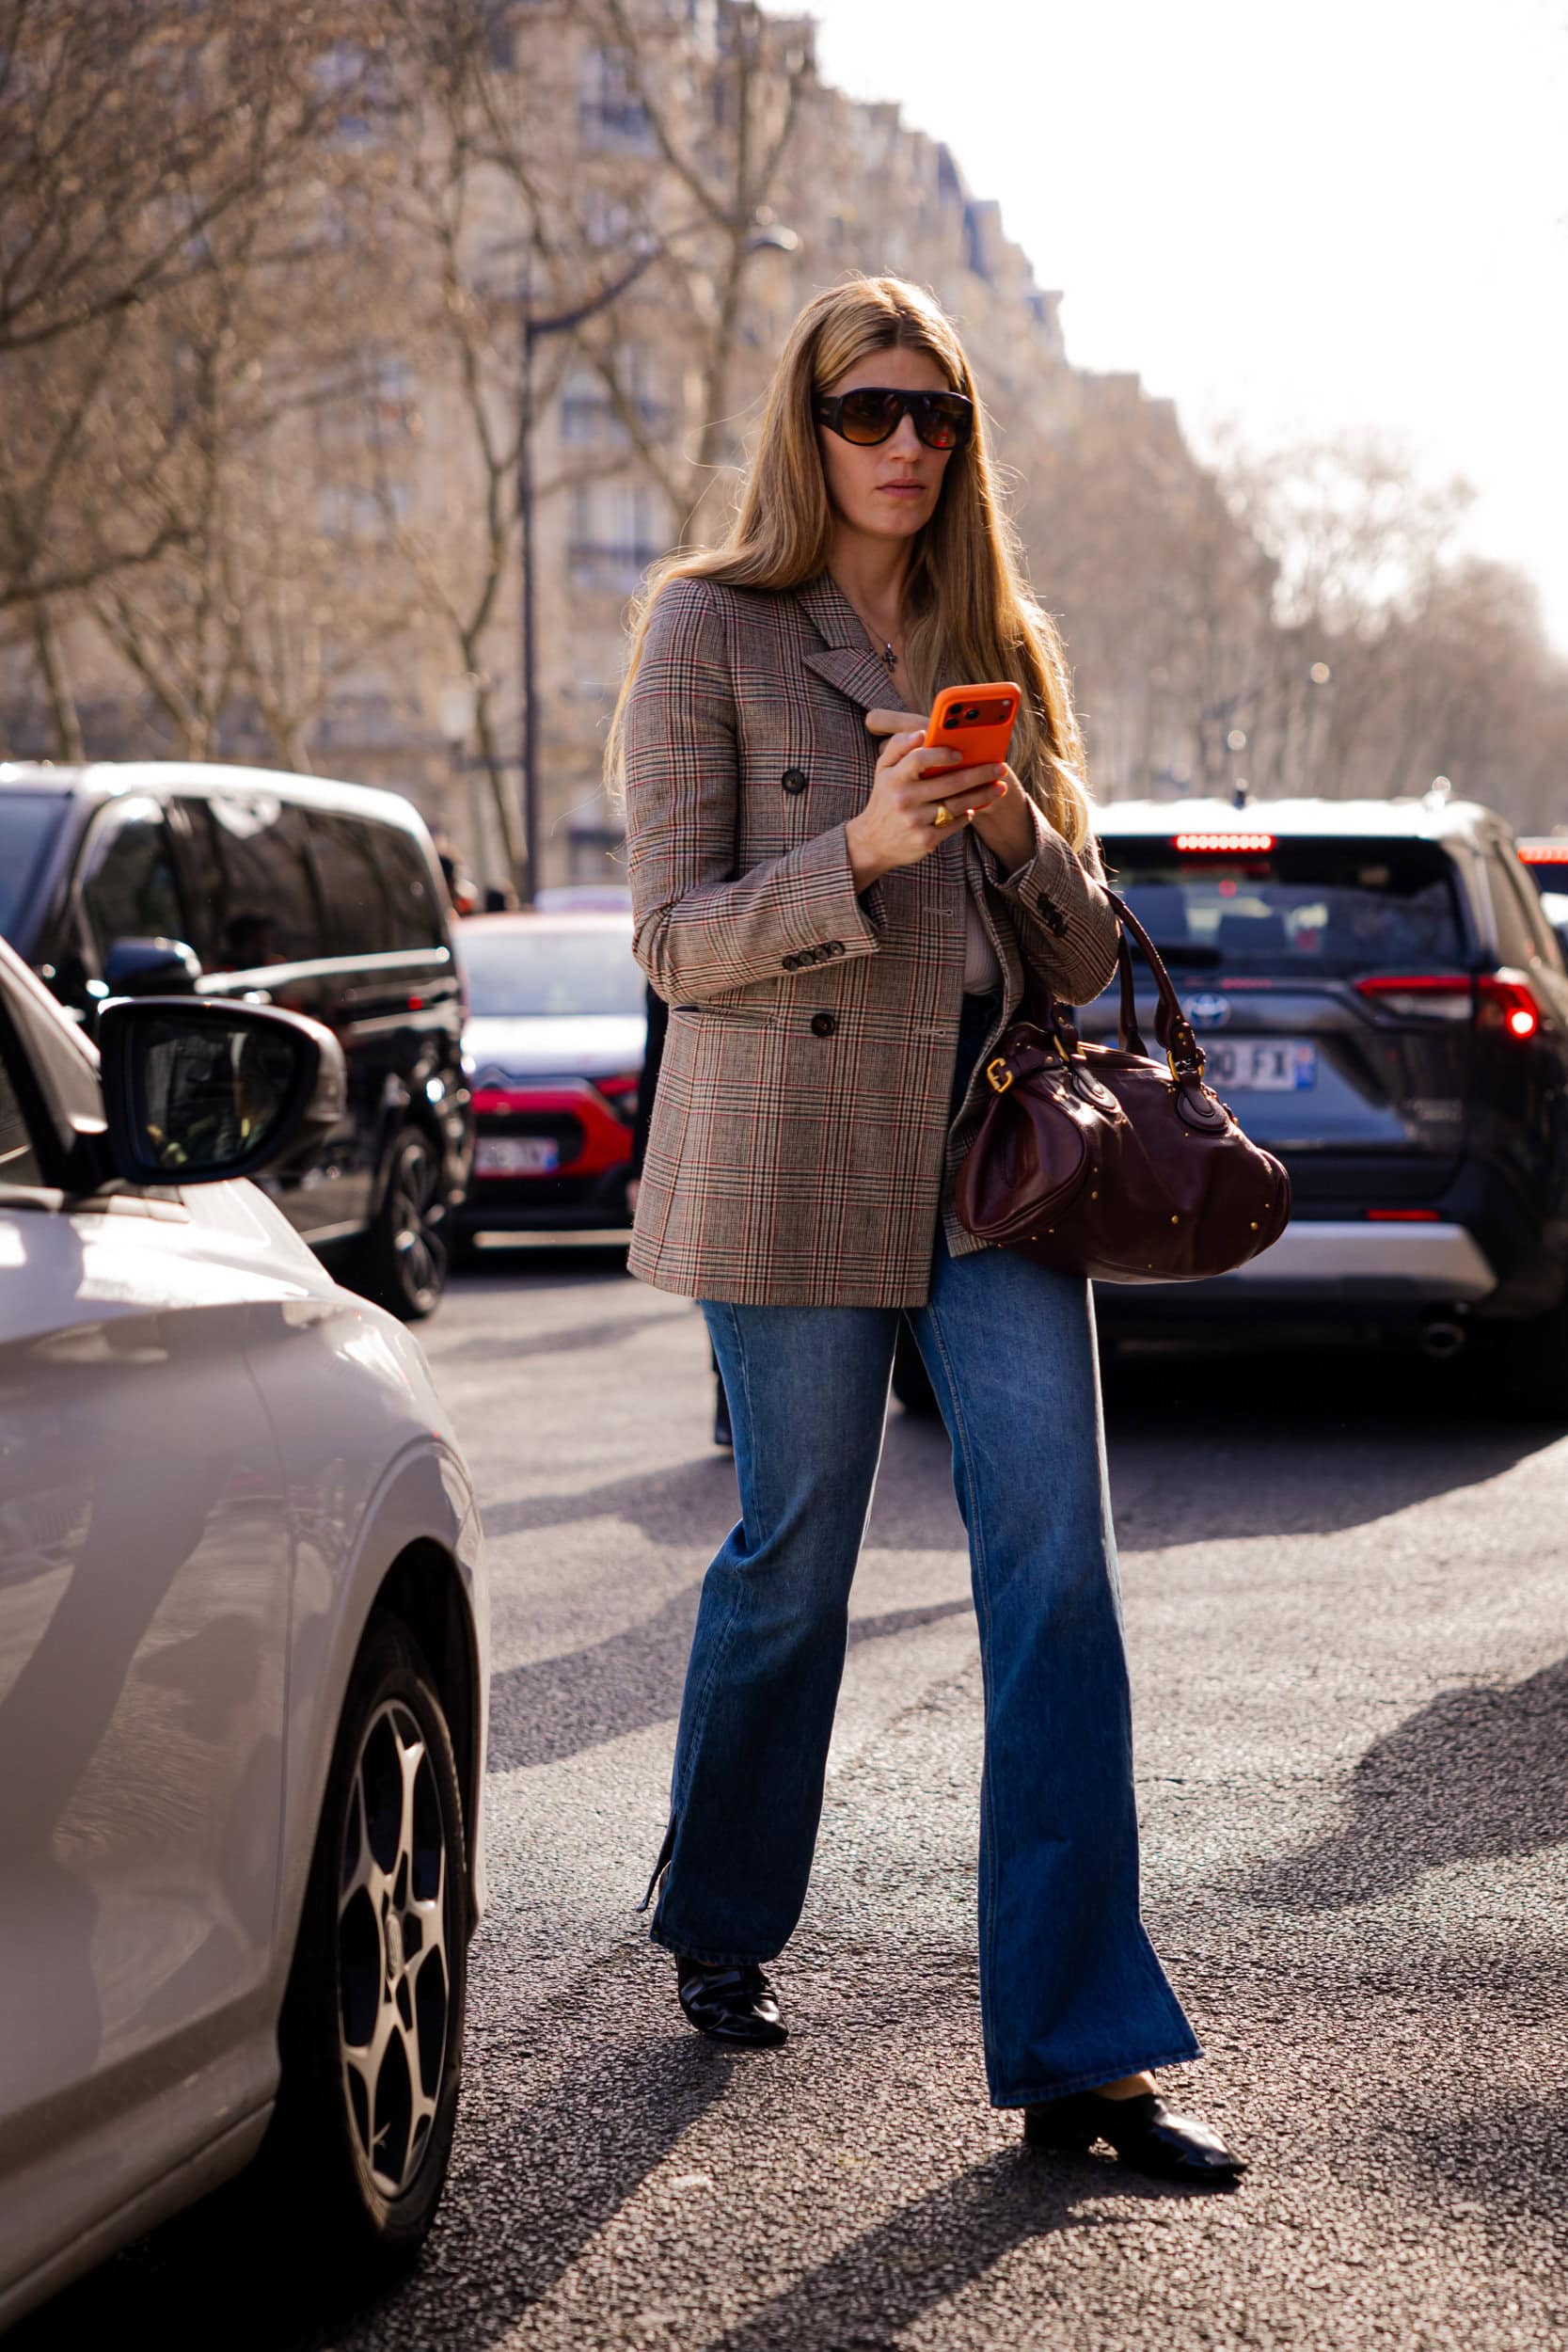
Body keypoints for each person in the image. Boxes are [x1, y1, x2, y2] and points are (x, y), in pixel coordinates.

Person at [608, 277, 1243, 2186]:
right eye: (864, 410)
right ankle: (719, 1915)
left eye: (933, 415)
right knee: (791, 1551)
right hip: (787, 1143)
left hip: (990, 1152)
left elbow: (1071, 941)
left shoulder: (1001, 642)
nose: (902, 444)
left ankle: (1080, 2051)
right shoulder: (705, 631)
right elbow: (669, 939)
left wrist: (997, 835)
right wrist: (863, 850)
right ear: (802, 428)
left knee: (1054, 1561)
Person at [629, 980, 734, 1448]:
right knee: (723, 1286)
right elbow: (656, 1067)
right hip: (708, 1146)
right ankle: (729, 1407)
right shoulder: (674, 969)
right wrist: (643, 1168)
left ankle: (733, 1410)